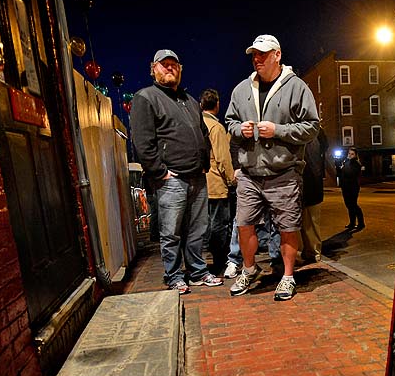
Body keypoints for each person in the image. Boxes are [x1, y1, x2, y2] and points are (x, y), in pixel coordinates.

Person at [225, 34, 319, 301]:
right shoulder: (241, 89)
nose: (257, 59)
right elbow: (229, 120)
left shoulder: (297, 87)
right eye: (254, 54)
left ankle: (288, 276)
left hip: (284, 172)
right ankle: (249, 269)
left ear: (277, 55)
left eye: (263, 54)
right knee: (244, 224)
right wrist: (238, 129)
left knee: (288, 226)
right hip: (249, 173)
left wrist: (278, 130)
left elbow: (312, 126)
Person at [132, 49, 223, 294]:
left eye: (174, 65)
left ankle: (197, 272)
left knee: (196, 231)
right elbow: (142, 141)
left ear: (180, 69)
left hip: (197, 177)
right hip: (171, 179)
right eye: (164, 65)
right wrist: (160, 172)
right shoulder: (146, 97)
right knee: (171, 232)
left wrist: (205, 164)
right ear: (153, 68)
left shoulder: (189, 100)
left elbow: (203, 134)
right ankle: (173, 275)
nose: (170, 68)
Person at [200, 88, 235, 275]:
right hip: (216, 184)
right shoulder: (217, 128)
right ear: (218, 105)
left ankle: (201, 261)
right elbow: (223, 158)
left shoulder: (197, 124)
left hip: (200, 183)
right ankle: (220, 261)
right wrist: (231, 179)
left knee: (203, 225)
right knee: (220, 225)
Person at [300, 127, 328, 263]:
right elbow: (324, 146)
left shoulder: (291, 128)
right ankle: (312, 251)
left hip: (303, 181)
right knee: (311, 221)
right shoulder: (317, 130)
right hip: (313, 182)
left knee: (299, 221)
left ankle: (305, 252)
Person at [338, 147, 364, 231]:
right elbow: (341, 173)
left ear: (356, 155)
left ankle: (361, 223)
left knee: (353, 205)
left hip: (353, 187)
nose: (350, 155)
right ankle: (352, 223)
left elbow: (350, 173)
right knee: (348, 205)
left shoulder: (356, 164)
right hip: (345, 187)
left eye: (352, 154)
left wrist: (343, 168)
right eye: (349, 153)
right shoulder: (346, 162)